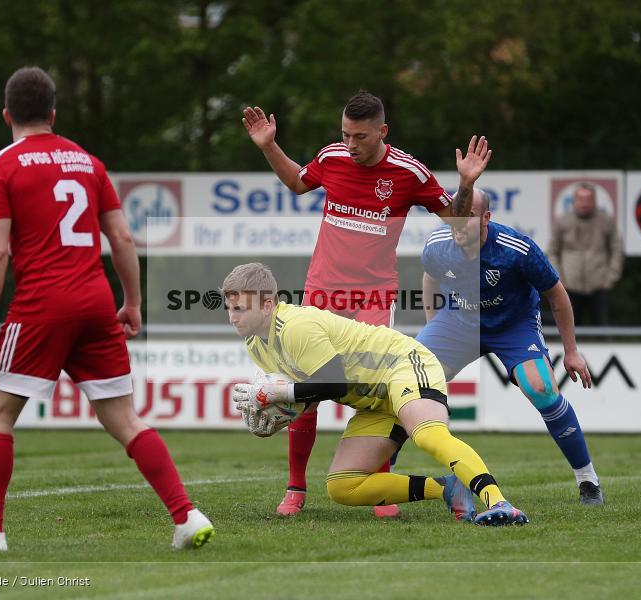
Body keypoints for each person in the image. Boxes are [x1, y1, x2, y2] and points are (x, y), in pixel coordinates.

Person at [0, 67, 213, 552]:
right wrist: (132, 302)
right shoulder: (88, 163)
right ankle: (186, 516)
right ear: (53, 114)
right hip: (95, 302)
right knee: (126, 420)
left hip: (41, 306)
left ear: (6, 115)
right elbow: (122, 238)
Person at [242, 91, 490, 517]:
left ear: (382, 131)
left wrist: (465, 185)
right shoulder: (332, 157)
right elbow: (298, 183)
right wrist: (269, 146)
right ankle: (295, 487)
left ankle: (379, 487)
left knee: (376, 389)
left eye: (359, 137)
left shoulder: (409, 172)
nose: (350, 145)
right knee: (305, 391)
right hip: (322, 293)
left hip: (373, 298)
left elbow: (456, 219)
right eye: (345, 135)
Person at [223, 263, 528, 526]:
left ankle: (499, 503)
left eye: (240, 309)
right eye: (229, 309)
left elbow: (335, 385)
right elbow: (309, 393)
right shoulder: (255, 344)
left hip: (402, 364)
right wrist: (277, 410)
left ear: (268, 305)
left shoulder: (294, 327)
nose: (232, 317)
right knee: (343, 486)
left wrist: (280, 393)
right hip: (374, 400)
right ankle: (446, 489)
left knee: (427, 434)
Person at [417, 188, 603, 505]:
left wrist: (571, 351)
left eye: (469, 216)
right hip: (458, 322)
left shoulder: (516, 248)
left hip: (514, 325)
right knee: (408, 381)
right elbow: (430, 278)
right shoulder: (437, 246)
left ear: (486, 218)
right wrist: (433, 324)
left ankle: (588, 481)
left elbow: (556, 294)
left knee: (542, 389)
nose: (458, 223)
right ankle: (382, 476)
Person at [547, 183, 624, 326]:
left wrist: (610, 278)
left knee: (603, 330)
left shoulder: (606, 221)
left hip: (599, 286)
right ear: (574, 200)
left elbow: (617, 249)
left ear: (594, 201)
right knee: (568, 329)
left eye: (588, 199)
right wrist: (559, 279)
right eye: (581, 199)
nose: (585, 203)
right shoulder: (562, 221)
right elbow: (552, 251)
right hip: (569, 286)